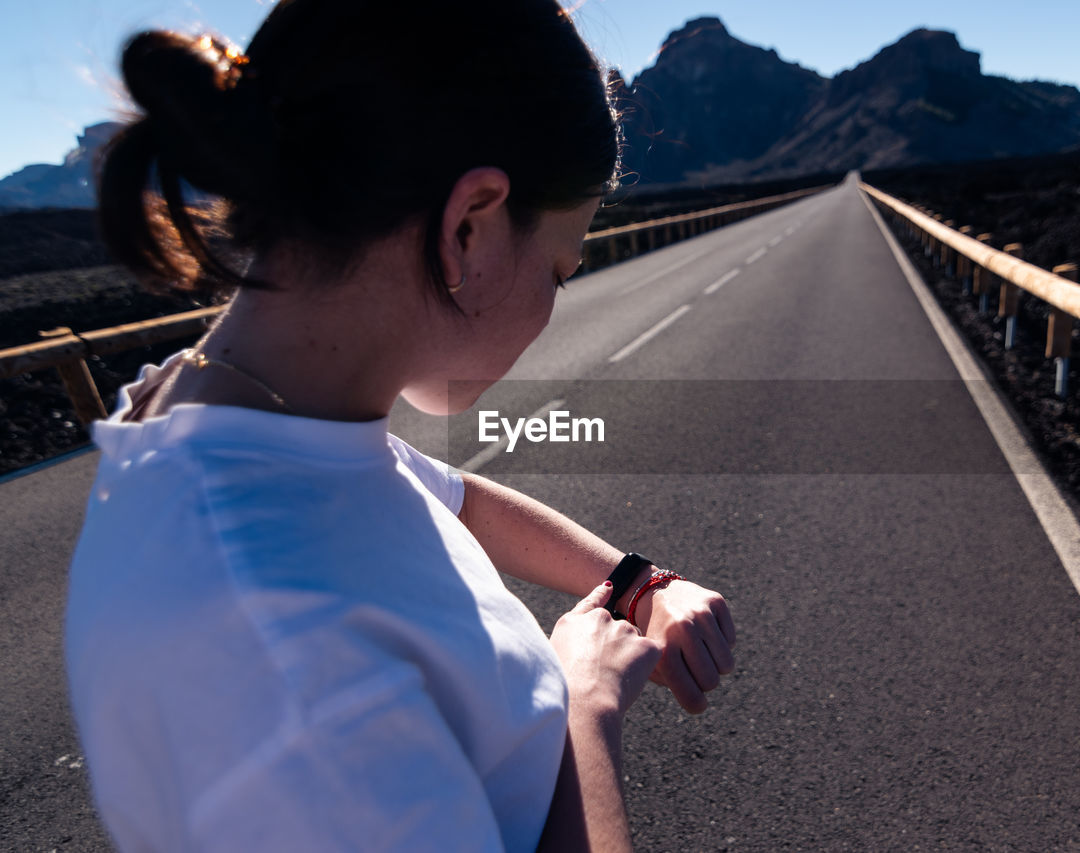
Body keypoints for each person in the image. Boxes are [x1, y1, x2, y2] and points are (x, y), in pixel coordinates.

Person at [63, 1, 736, 850]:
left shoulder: (234, 417)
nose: (549, 311)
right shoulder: (286, 656)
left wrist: (639, 581)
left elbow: (448, 496)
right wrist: (584, 706)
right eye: (559, 273)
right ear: (468, 228)